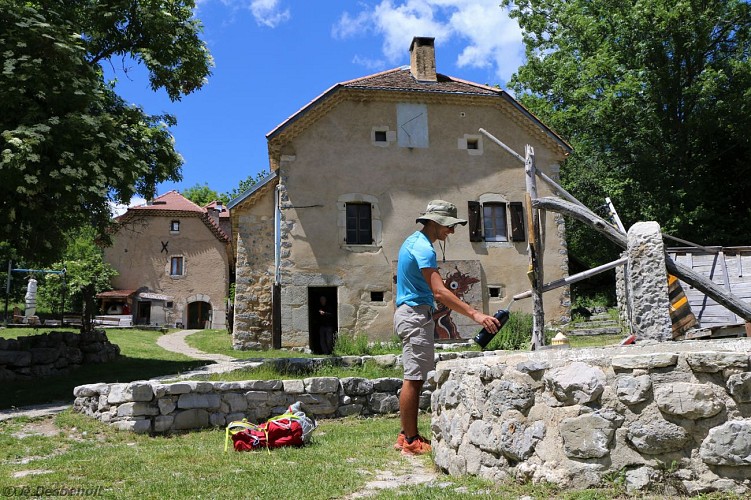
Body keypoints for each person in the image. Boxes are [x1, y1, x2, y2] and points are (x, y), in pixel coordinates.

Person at [393, 200, 501, 456]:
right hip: (415, 315)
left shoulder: (413, 242)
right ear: (434, 222)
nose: (451, 232)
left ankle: (404, 435)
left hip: (412, 314)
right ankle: (410, 441)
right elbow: (440, 292)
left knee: (414, 377)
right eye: (449, 226)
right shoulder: (423, 248)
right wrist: (475, 314)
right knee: (414, 378)